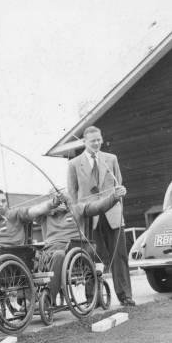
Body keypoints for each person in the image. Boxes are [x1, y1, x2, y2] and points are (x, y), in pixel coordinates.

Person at [67, 125, 134, 306]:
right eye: (92, 141)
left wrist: (120, 196)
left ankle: (125, 295)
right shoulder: (74, 164)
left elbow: (118, 183)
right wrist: (78, 214)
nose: (96, 143)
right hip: (90, 217)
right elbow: (72, 194)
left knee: (119, 256)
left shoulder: (111, 159)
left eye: (98, 139)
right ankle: (93, 298)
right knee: (91, 257)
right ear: (84, 142)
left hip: (112, 214)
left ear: (102, 139)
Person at [37, 185, 127, 301]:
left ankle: (48, 300)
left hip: (68, 254)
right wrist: (51, 204)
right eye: (56, 196)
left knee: (59, 255)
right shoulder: (45, 215)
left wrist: (114, 196)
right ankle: (29, 302)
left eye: (62, 195)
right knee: (26, 260)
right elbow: (32, 213)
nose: (60, 198)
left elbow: (98, 206)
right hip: (47, 254)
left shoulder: (77, 209)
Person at [0, 189, 59, 290]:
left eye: (3, 201)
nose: (1, 204)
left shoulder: (15, 214)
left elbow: (35, 210)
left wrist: (53, 203)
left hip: (13, 259)